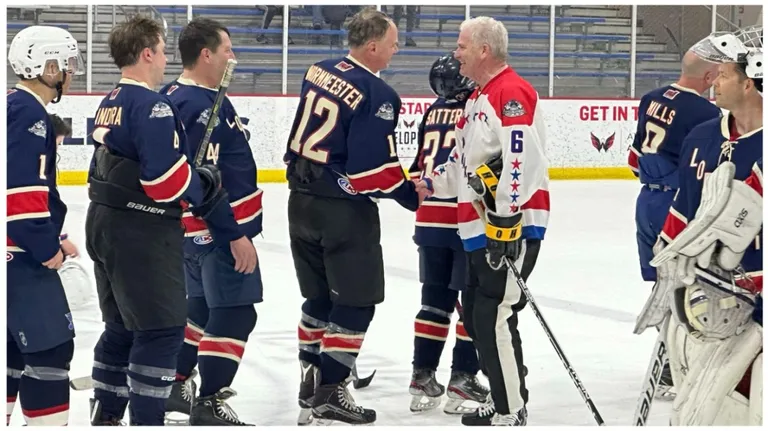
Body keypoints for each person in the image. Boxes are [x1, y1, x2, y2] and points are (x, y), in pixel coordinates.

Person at [84, 15, 237, 426]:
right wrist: (200, 180)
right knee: (162, 330)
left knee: (120, 328)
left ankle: (107, 413)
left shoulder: (111, 100)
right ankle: (147, 419)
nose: (167, 58)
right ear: (147, 52)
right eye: (164, 50)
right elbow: (163, 184)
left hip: (104, 223)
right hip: (141, 232)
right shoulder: (151, 105)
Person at [283, 7, 423, 426]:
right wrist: (408, 192)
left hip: (299, 202)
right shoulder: (379, 94)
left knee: (319, 299)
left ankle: (310, 381)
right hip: (342, 212)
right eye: (394, 43)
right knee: (358, 301)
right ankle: (330, 390)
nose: (397, 50)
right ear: (374, 44)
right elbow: (370, 171)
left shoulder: (318, 69)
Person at [415, 16, 551, 426]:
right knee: (477, 311)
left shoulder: (510, 92)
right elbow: (465, 164)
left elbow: (519, 161)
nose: (455, 54)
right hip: (477, 226)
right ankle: (511, 396)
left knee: (494, 313)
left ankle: (510, 410)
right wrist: (429, 185)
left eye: (461, 46)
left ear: (483, 50)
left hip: (508, 226)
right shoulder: (478, 98)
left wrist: (506, 221)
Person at [642, 26, 762, 426]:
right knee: (697, 409)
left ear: (751, 82)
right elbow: (682, 215)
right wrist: (669, 273)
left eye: (725, 73)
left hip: (755, 314)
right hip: (705, 309)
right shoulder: (702, 136)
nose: (717, 81)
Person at [160, 17, 262, 426]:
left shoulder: (183, 96)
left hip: (194, 234)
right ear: (206, 54)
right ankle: (209, 400)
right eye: (225, 51)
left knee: (200, 310)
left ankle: (175, 383)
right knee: (237, 312)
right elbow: (201, 183)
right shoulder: (197, 106)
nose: (231, 58)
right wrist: (233, 234)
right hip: (217, 231)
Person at [627, 43, 722, 400]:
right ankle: (676, 362)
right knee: (688, 281)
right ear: (710, 77)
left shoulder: (651, 98)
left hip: (646, 201)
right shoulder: (704, 112)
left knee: (660, 283)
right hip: (676, 204)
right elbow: (704, 168)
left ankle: (667, 358)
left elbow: (634, 159)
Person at [6, 24, 83, 427]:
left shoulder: (10, 105)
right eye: (67, 63)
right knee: (51, 350)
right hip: (17, 254)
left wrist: (52, 235)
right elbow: (20, 197)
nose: (70, 72)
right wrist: (46, 247)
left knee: (11, 349)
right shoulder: (30, 113)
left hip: (13, 248)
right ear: (46, 65)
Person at [406, 53, 489, 415]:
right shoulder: (473, 108)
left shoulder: (431, 111)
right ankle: (463, 377)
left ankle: (422, 374)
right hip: (462, 219)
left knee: (433, 302)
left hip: (428, 221)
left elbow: (418, 164)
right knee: (471, 302)